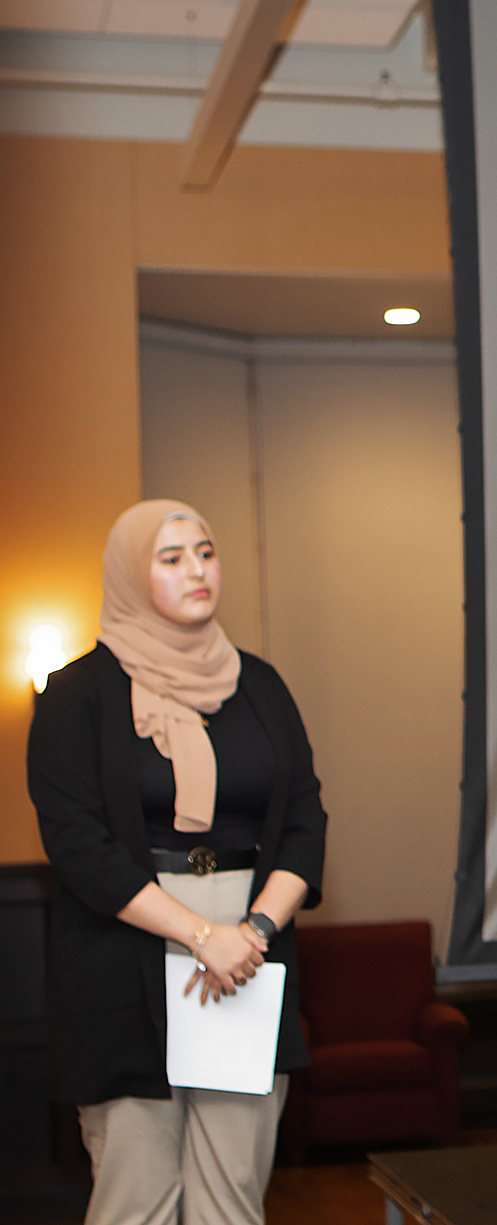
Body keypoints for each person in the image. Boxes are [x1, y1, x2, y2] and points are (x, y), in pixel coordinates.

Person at [29, 500, 327, 1225]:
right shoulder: (75, 696)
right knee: (137, 1200)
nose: (197, 569)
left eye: (205, 550)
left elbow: (302, 822)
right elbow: (79, 846)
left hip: (245, 962)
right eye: (171, 557)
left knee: (232, 1198)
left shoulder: (260, 684)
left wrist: (251, 930)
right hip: (125, 958)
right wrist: (201, 935)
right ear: (131, 574)